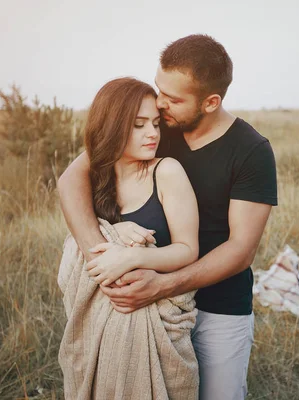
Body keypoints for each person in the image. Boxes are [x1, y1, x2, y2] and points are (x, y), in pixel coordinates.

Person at [58, 34, 278, 400]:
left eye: (173, 99)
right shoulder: (155, 128)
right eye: (160, 89)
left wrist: (161, 285)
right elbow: (72, 179)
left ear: (210, 102)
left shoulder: (251, 152)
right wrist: (104, 258)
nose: (160, 105)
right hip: (147, 302)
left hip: (218, 309)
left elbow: (240, 250)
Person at [57, 77, 200, 399]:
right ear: (112, 127)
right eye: (138, 125)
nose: (152, 133)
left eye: (154, 124)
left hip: (160, 326)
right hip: (103, 330)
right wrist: (115, 230)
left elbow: (188, 250)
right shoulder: (95, 179)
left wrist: (132, 256)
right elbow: (82, 241)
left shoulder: (165, 171)